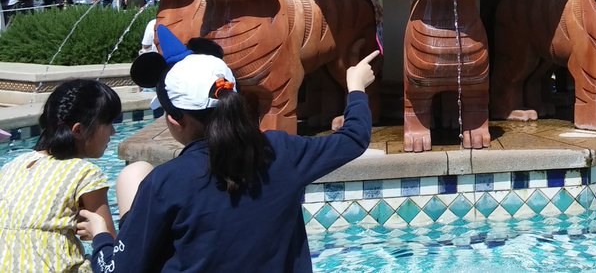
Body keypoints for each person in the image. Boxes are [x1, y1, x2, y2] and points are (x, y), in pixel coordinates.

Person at [79, 34, 379, 272]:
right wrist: (355, 87)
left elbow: (118, 270)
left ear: (174, 119)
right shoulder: (281, 151)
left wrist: (102, 236)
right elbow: (354, 137)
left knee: (133, 175)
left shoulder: (167, 183)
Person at [0, 79, 121, 272]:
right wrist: (100, 234)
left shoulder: (13, 166)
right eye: (109, 123)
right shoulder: (85, 174)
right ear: (78, 130)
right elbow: (113, 257)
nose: (113, 132)